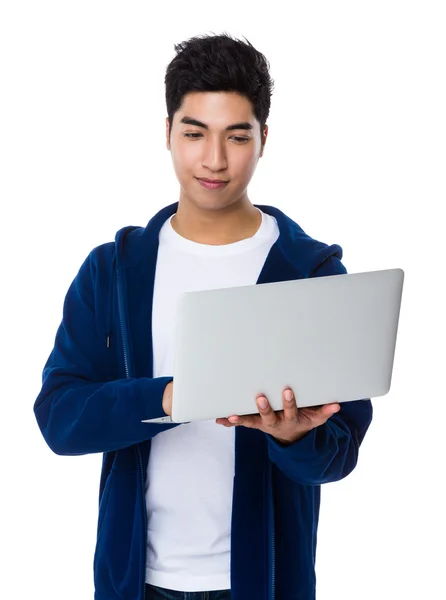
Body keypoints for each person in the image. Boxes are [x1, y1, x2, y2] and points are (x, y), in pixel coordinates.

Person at [34, 32, 373, 600]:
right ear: (167, 132)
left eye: (237, 136)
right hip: (136, 583)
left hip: (264, 582)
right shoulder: (112, 271)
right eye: (194, 134)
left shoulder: (310, 273)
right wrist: (168, 398)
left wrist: (293, 439)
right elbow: (59, 419)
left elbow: (340, 451)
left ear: (264, 139)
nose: (214, 160)